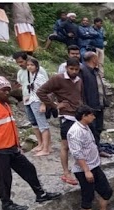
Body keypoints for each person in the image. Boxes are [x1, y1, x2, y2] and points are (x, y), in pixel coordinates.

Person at [0, 76, 61, 210]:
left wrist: (16, 145)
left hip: (11, 147)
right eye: (3, 90)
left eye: (8, 90)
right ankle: (6, 204)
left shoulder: (4, 104)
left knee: (28, 169)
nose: (7, 92)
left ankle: (40, 194)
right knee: (4, 177)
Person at [67, 105, 114, 210]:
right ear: (84, 116)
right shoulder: (74, 132)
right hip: (84, 169)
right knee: (88, 195)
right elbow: (77, 153)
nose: (94, 117)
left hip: (94, 165)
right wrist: (86, 170)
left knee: (107, 191)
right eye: (91, 115)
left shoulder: (86, 127)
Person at [37, 57, 83, 186]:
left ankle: (79, 169)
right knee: (65, 146)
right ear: (66, 68)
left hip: (79, 116)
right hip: (67, 116)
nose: (74, 71)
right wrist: (54, 105)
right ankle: (66, 172)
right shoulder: (58, 79)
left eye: (76, 69)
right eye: (71, 69)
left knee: (79, 144)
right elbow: (41, 91)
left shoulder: (79, 80)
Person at [80, 52, 109, 147]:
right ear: (93, 59)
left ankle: (97, 148)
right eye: (97, 58)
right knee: (91, 128)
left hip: (99, 105)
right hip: (90, 106)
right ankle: (90, 150)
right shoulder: (83, 71)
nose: (99, 61)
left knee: (98, 128)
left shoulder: (95, 71)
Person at [23, 58, 51, 156]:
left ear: (37, 66)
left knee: (43, 125)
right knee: (37, 124)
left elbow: (45, 90)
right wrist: (29, 97)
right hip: (33, 100)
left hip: (38, 102)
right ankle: (42, 145)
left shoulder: (39, 77)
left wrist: (44, 103)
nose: (29, 67)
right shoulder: (32, 76)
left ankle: (46, 149)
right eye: (28, 65)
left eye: (32, 65)